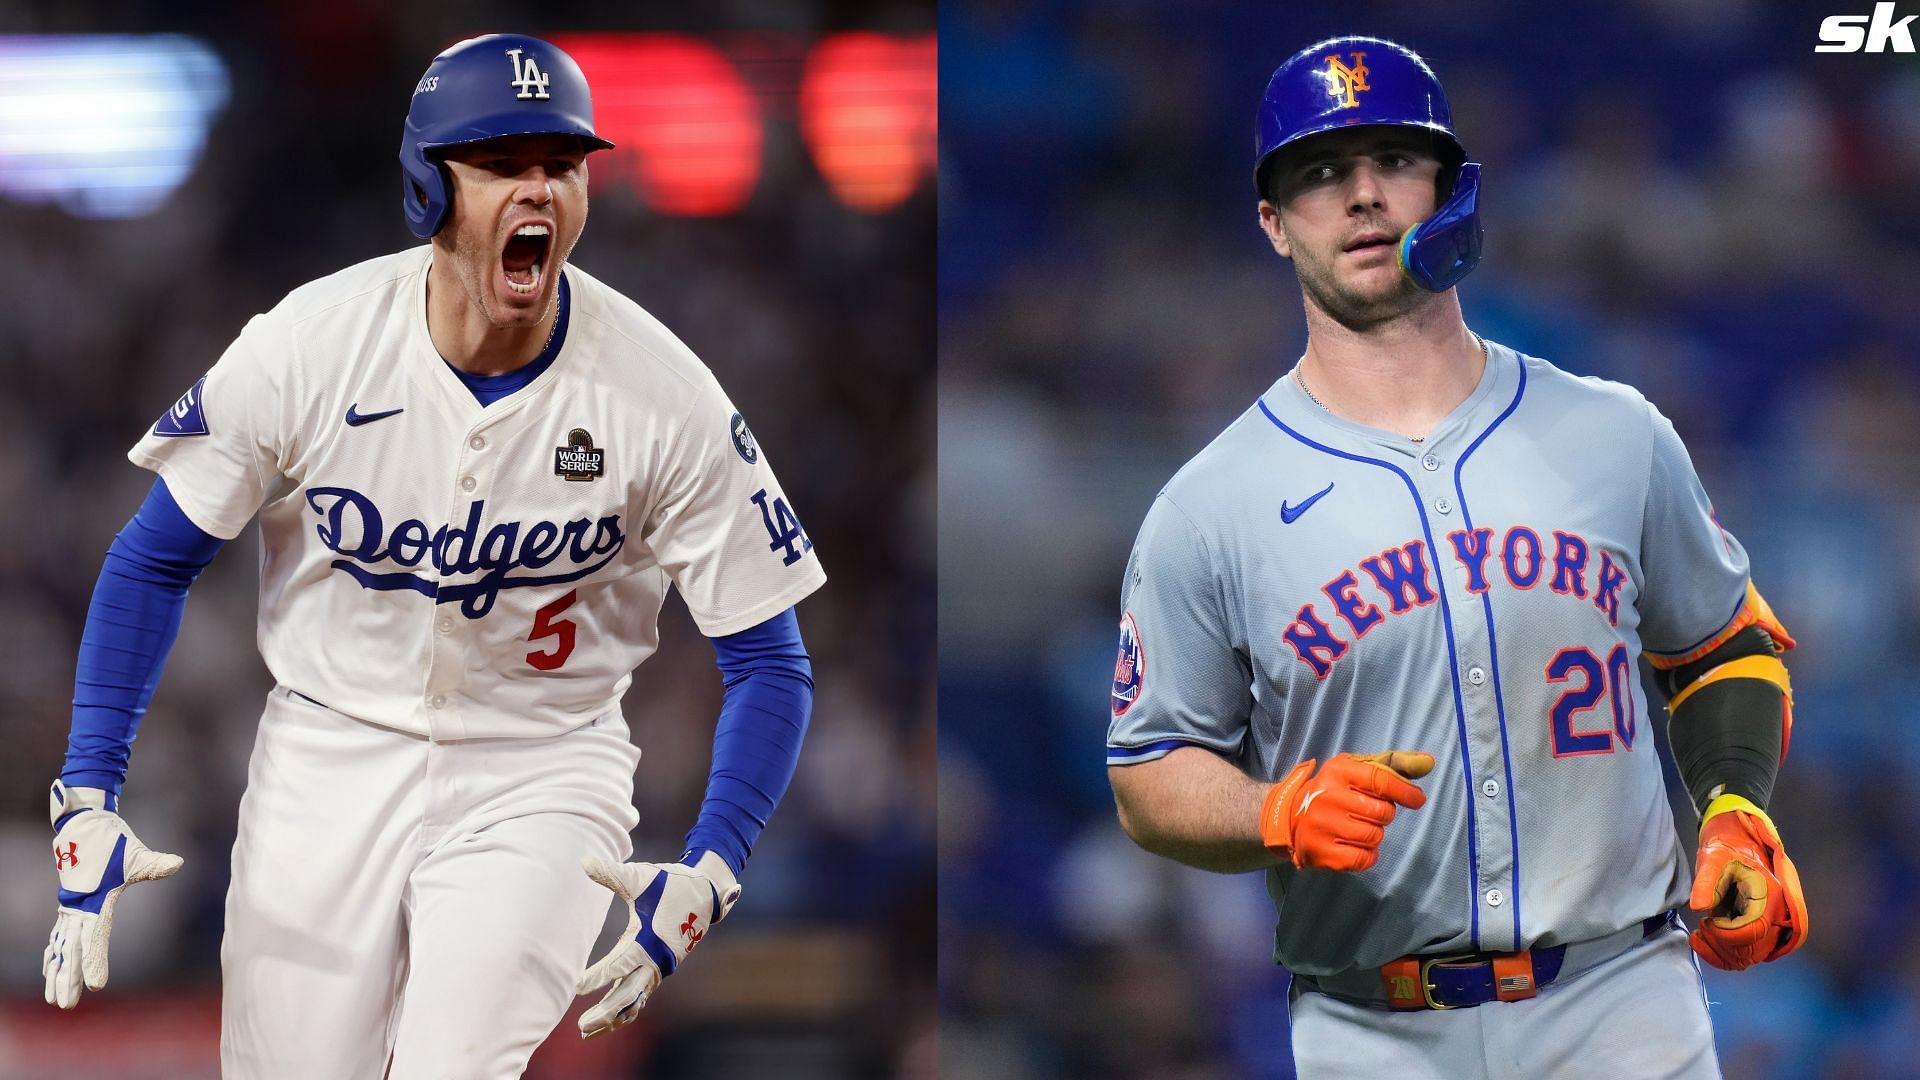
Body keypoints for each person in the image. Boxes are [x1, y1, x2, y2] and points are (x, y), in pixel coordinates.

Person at [41, 33, 825, 1078]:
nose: (538, 189)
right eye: (501, 164)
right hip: (326, 754)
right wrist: (87, 794)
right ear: (427, 188)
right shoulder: (310, 346)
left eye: (562, 164)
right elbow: (151, 561)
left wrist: (716, 861)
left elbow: (770, 661)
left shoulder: (665, 395)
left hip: (542, 766)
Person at [1104, 35, 1805, 1078]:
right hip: (1371, 1026)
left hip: (1624, 1003)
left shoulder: (1613, 432)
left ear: (1451, 189)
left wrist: (1737, 806)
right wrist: (1273, 811)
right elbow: (1148, 773)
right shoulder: (1210, 505)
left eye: (1393, 159)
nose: (1362, 196)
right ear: (1273, 222)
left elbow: (1725, 645)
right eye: (1321, 173)